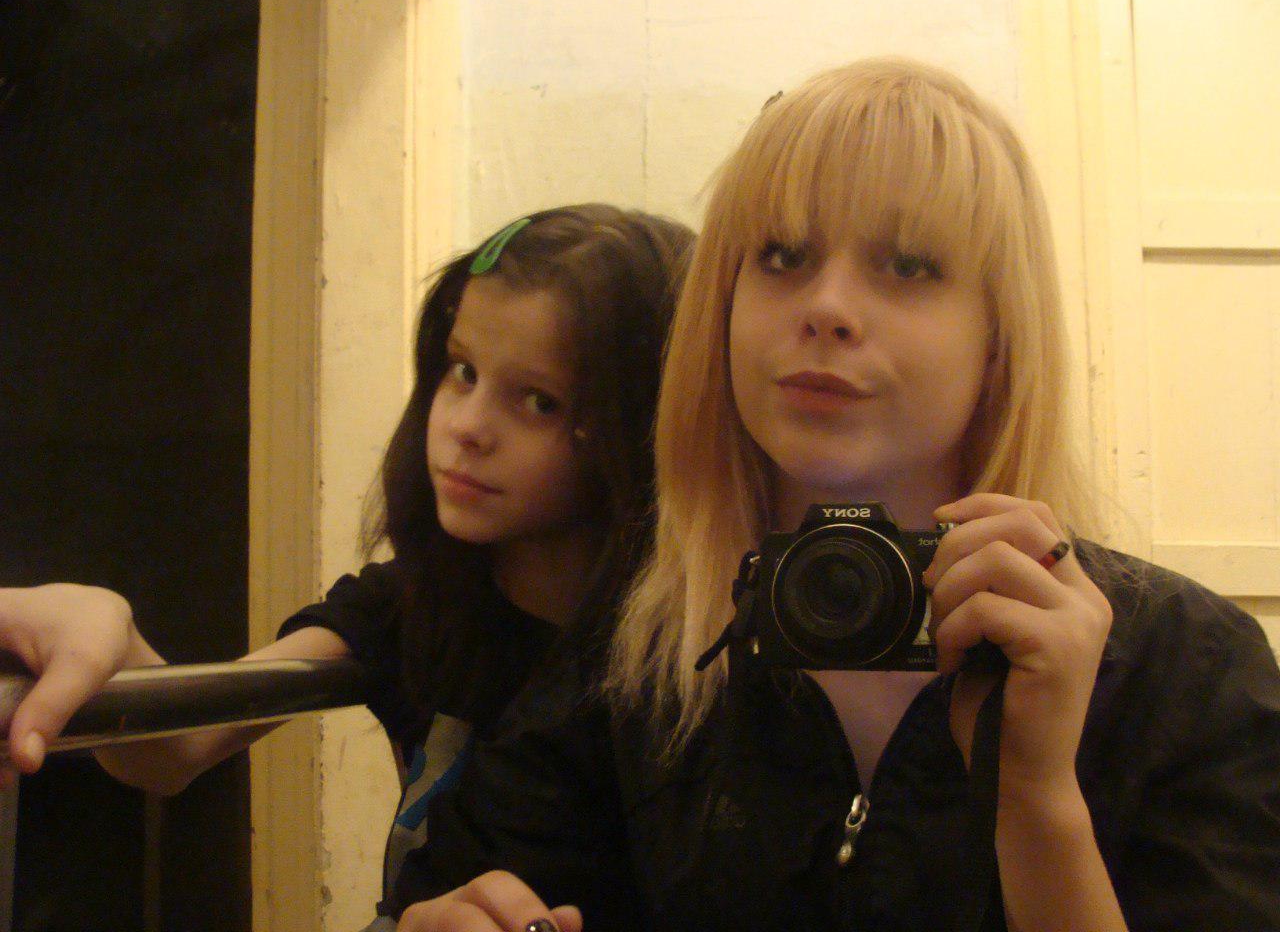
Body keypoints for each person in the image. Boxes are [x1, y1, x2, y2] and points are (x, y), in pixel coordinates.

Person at [386, 59, 1280, 932]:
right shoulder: (638, 652)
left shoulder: (1186, 671)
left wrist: (1037, 805)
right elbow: (463, 884)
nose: (828, 306)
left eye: (909, 265)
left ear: (1000, 335)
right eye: (782, 256)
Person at [0, 203, 695, 924]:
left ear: (642, 425)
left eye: (539, 402)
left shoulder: (688, 667)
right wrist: (107, 642)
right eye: (462, 371)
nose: (466, 426)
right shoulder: (413, 602)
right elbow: (176, 751)